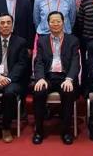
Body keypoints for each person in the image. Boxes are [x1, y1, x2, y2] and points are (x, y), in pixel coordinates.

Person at [32, 11, 80, 145]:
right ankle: (39, 131)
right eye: (52, 21)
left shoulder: (73, 40)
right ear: (48, 24)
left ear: (63, 22)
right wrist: (40, 78)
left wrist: (70, 79)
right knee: (39, 92)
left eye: (58, 21)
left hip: (65, 77)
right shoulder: (42, 41)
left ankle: (66, 131)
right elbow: (39, 62)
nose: (55, 24)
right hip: (48, 76)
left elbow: (76, 62)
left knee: (68, 91)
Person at [0, 14, 30, 144]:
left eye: (8, 22)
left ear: (12, 25)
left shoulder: (21, 42)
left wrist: (8, 79)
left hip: (13, 80)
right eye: (2, 23)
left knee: (9, 93)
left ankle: (6, 127)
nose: (5, 25)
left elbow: (22, 64)